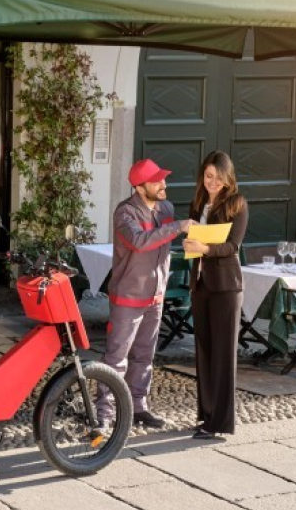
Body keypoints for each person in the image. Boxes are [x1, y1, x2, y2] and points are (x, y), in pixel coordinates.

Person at [100, 158, 191, 428]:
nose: (164, 184)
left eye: (163, 179)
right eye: (156, 181)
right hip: (128, 296)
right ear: (140, 187)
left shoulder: (166, 208)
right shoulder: (124, 213)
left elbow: (163, 244)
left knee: (144, 356)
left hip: (155, 295)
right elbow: (139, 242)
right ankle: (104, 414)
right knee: (116, 358)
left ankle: (138, 407)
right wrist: (177, 227)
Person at [182, 151, 248, 440]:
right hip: (200, 285)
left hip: (226, 287)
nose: (213, 182)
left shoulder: (237, 204)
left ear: (227, 177)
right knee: (204, 352)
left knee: (223, 355)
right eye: (209, 176)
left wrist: (205, 248)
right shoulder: (197, 203)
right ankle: (206, 416)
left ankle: (221, 423)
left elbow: (233, 246)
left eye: (218, 177)